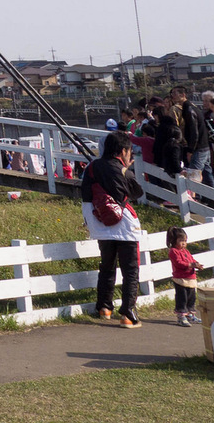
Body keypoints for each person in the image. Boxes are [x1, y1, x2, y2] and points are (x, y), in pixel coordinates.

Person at [80, 132, 146, 328]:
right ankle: (128, 313)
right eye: (129, 151)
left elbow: (85, 195)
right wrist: (127, 169)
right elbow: (137, 192)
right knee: (130, 270)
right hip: (125, 225)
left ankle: (104, 307)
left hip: (100, 223)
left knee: (107, 265)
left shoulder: (91, 167)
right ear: (123, 151)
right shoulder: (123, 170)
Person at [166, 226, 200, 326]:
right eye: (181, 240)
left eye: (185, 240)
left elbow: (191, 259)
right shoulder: (173, 251)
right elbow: (178, 263)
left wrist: (196, 264)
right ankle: (181, 316)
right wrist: (190, 265)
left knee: (191, 297)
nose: (184, 243)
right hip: (180, 278)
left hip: (190, 277)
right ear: (174, 240)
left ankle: (190, 315)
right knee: (182, 298)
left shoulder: (186, 251)